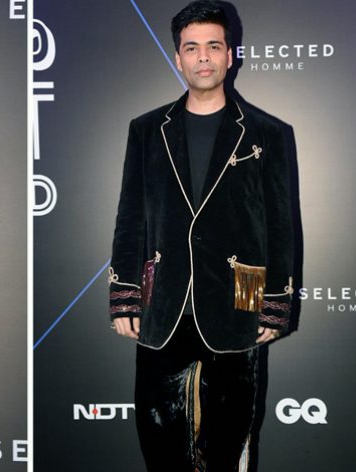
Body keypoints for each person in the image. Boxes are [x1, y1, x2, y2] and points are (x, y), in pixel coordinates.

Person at [107, 0, 295, 469]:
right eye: (192, 47)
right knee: (159, 448)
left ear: (231, 55)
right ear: (178, 58)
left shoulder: (269, 133)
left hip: (239, 304)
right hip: (162, 307)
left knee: (229, 449)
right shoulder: (147, 131)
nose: (203, 56)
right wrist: (125, 296)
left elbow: (280, 225)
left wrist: (275, 303)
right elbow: (130, 217)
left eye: (213, 45)